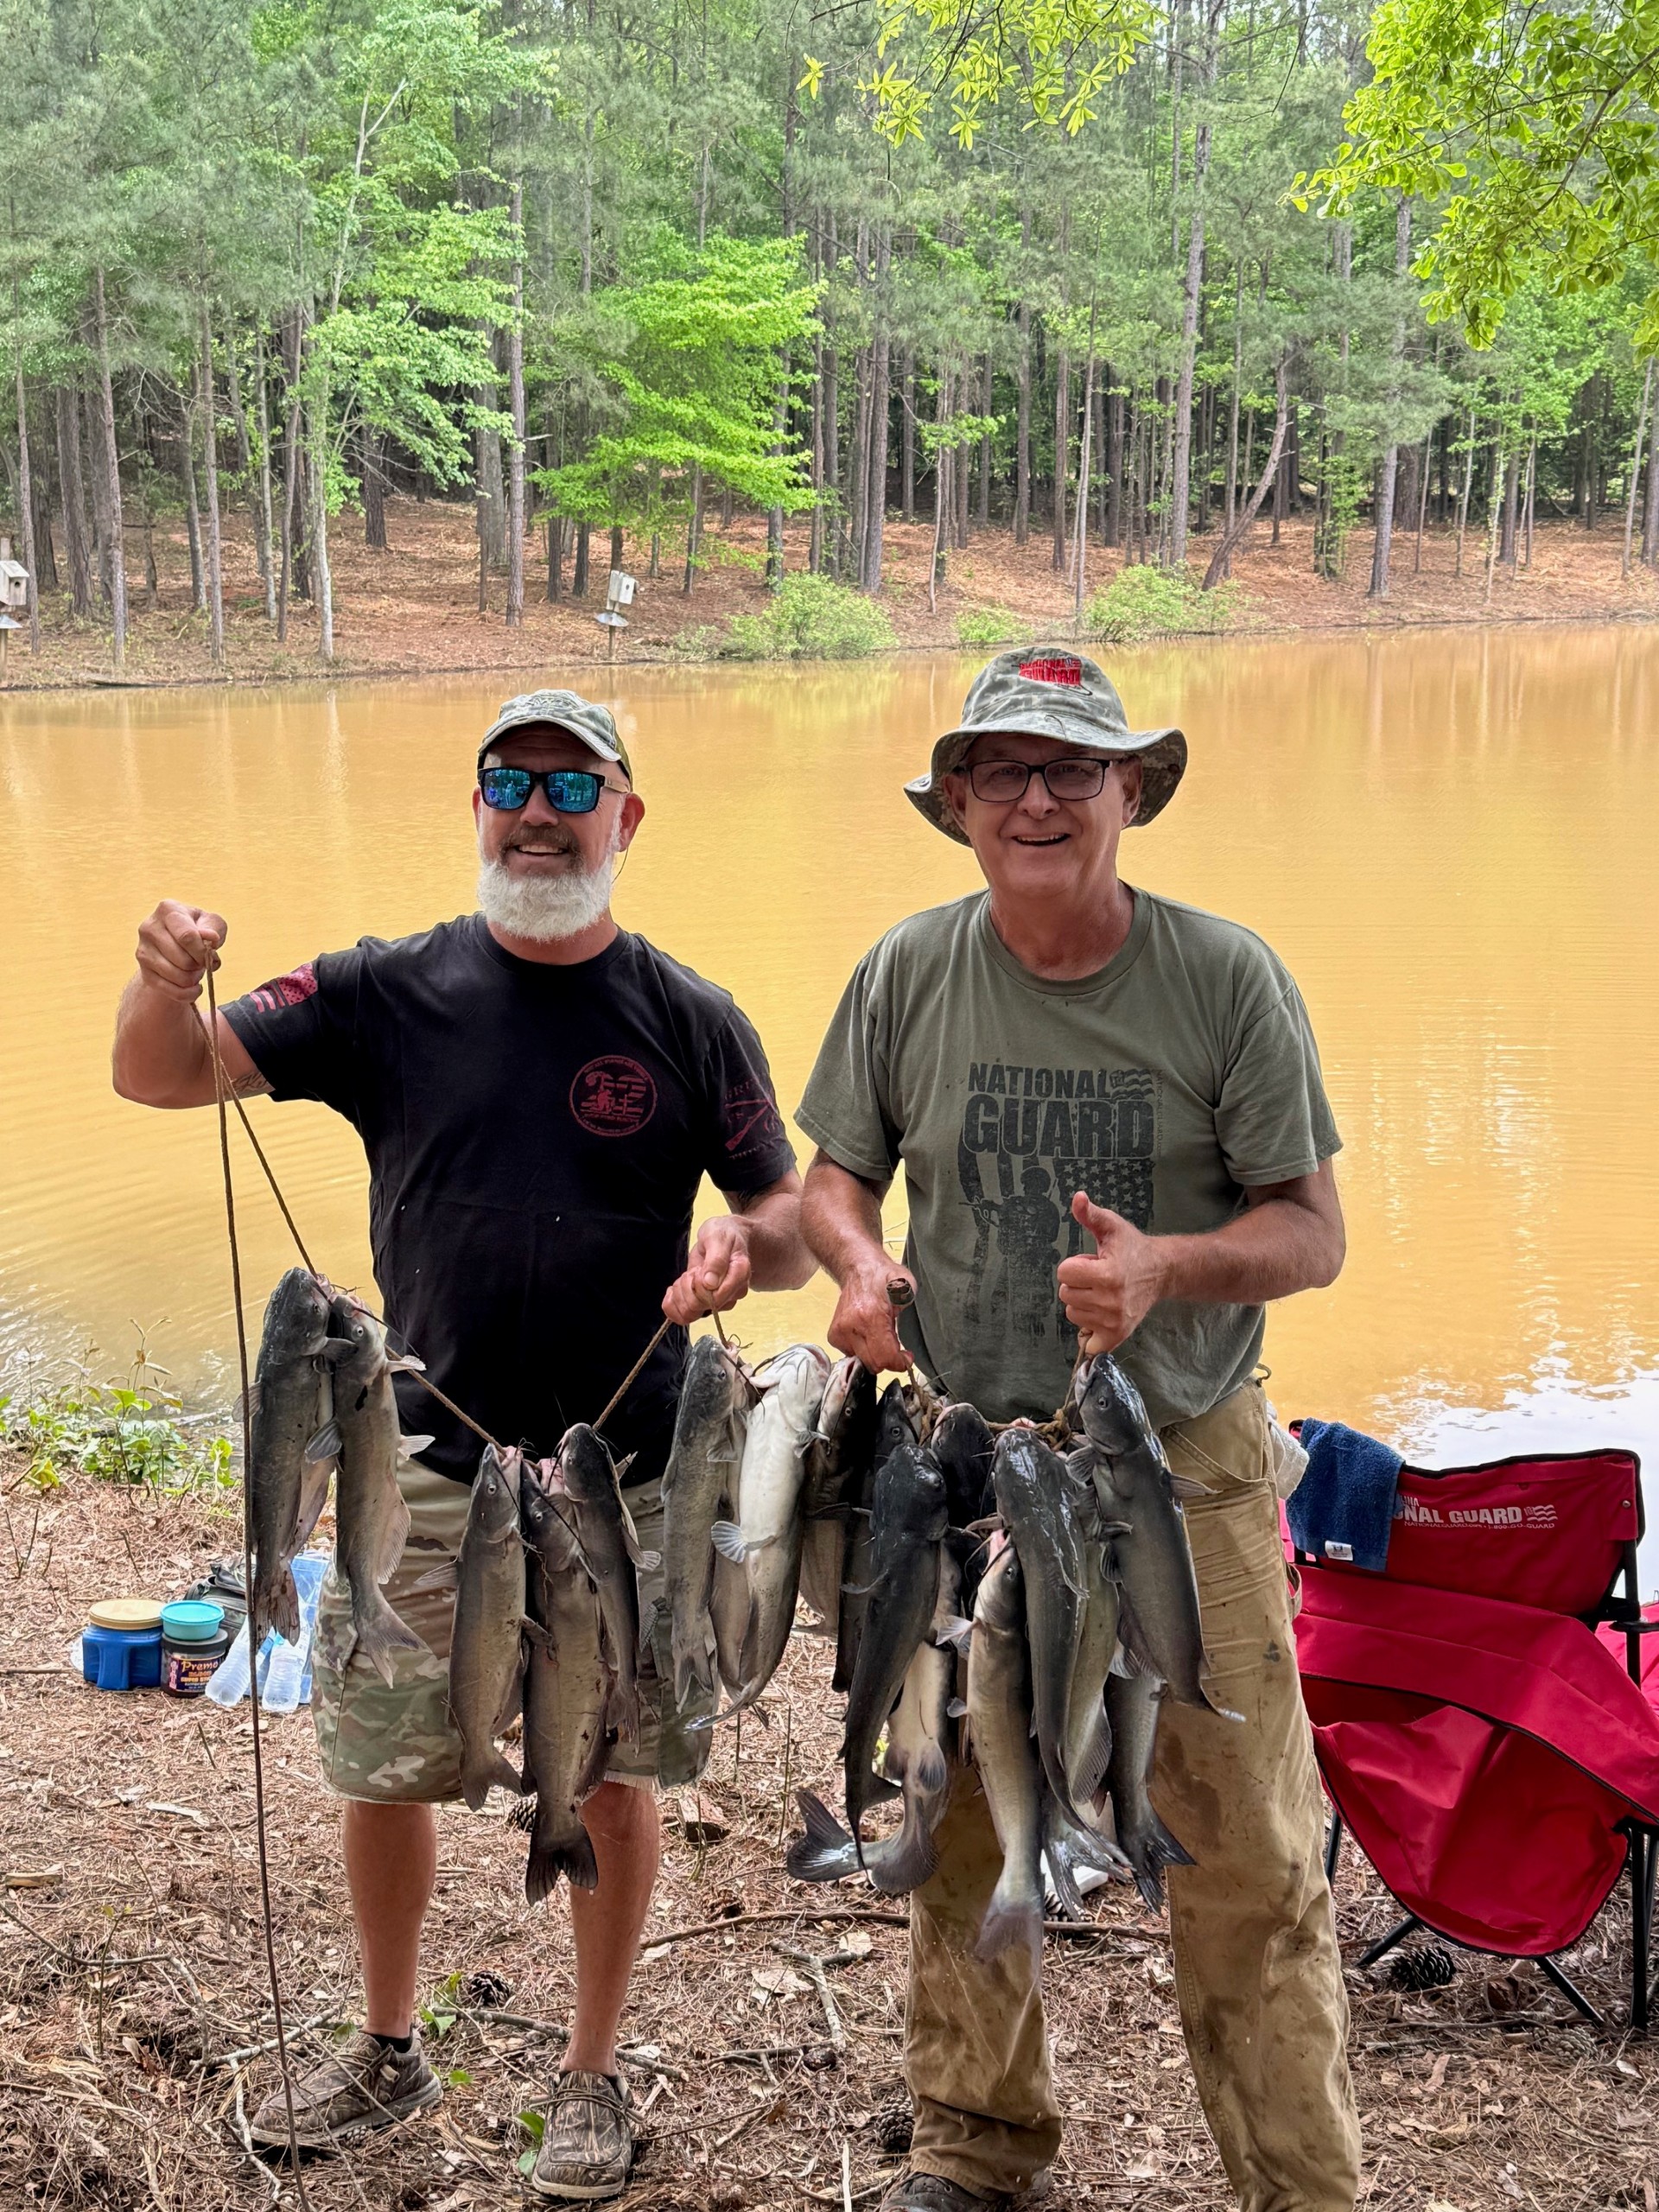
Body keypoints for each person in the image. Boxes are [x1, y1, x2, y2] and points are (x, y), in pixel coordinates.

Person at [111, 688, 812, 2200]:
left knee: (612, 1777)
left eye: (576, 783)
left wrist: (744, 1251)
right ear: (479, 807)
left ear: (629, 817)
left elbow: (790, 1220)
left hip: (624, 1484)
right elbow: (159, 1072)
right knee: (381, 1773)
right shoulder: (382, 991)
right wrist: (158, 975)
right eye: (513, 780)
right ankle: (385, 2043)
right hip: (420, 1471)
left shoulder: (689, 1018)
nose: (540, 809)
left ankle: (592, 2071)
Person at [797, 649, 1362, 2212]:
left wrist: (1167, 1268)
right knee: (959, 1808)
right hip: (964, 1470)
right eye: (1002, 772)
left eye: (1073, 771)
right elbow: (836, 1176)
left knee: (1245, 1851)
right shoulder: (908, 971)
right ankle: (979, 2147)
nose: (1037, 800)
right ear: (960, 804)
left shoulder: (1225, 979)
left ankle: (1296, 2186)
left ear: (1130, 793)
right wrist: (859, 1263)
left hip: (1179, 1464)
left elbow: (1314, 1233)